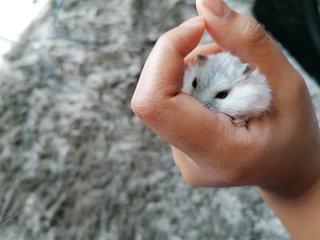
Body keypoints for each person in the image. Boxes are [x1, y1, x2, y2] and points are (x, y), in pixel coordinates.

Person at [131, 0, 320, 239]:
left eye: (221, 95)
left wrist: (300, 182)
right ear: (196, 68)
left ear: (247, 80)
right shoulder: (198, 64)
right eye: (195, 84)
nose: (201, 105)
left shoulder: (251, 82)